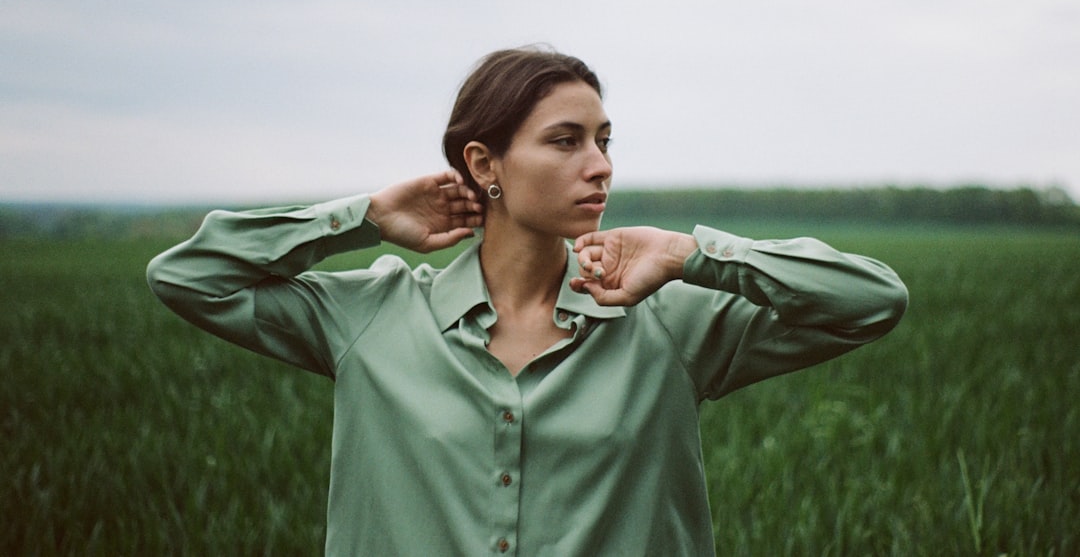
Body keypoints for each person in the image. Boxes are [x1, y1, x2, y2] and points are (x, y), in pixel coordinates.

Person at [146, 46, 908, 556]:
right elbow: (188, 277)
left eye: (606, 140)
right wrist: (364, 218)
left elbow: (870, 300)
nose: (600, 166)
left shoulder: (666, 321)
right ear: (485, 164)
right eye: (566, 140)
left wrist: (690, 254)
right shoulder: (371, 318)